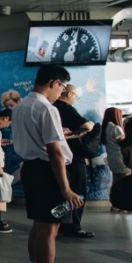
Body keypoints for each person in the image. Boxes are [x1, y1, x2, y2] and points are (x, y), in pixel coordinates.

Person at [12, 64, 82, 263]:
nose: (60, 93)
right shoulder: (47, 109)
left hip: (31, 170)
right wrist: (65, 188)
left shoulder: (21, 106)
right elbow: (55, 152)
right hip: (48, 173)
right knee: (49, 229)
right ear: (53, 82)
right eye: (62, 88)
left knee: (38, 226)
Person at [53, 84, 95, 239]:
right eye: (76, 96)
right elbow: (86, 126)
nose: (76, 99)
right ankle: (73, 225)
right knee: (78, 191)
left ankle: (60, 223)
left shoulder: (51, 108)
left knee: (60, 191)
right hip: (74, 157)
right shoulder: (66, 109)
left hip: (55, 157)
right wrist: (91, 124)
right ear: (69, 93)